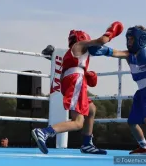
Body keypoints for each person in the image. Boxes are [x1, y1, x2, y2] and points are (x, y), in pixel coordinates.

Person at [87, 25, 146, 157]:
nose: (129, 41)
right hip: (141, 92)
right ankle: (144, 147)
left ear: (140, 39)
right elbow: (115, 53)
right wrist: (102, 50)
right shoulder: (128, 55)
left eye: (132, 39)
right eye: (128, 38)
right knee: (132, 122)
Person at [31, 21, 124, 155]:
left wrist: (126, 54)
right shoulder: (79, 45)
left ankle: (87, 143)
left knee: (91, 109)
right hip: (76, 81)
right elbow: (102, 40)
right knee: (78, 122)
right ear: (83, 39)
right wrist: (111, 31)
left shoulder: (75, 55)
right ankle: (44, 132)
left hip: (72, 81)